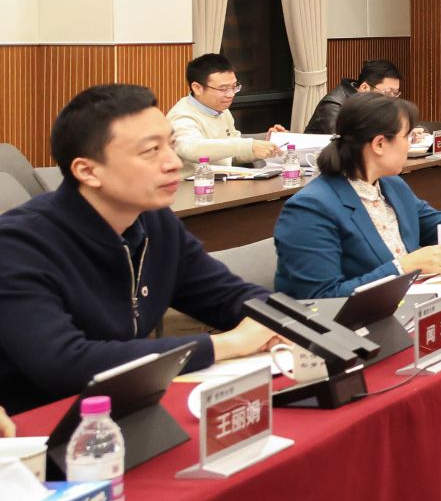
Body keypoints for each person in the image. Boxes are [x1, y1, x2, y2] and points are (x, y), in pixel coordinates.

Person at [0, 85, 281, 414]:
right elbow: (64, 364)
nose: (173, 162)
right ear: (87, 171)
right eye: (151, 151)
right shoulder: (18, 245)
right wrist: (226, 344)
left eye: (171, 145)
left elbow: (227, 295)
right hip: (35, 425)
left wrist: (277, 324)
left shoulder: (153, 221)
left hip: (129, 407)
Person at [274, 93, 441, 298]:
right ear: (379, 144)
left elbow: (438, 228)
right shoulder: (311, 208)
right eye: (407, 137)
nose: (409, 145)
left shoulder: (392, 185)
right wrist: (403, 267)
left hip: (405, 307)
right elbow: (322, 299)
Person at [168, 53, 284, 169]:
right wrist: (249, 145)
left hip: (223, 177)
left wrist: (265, 146)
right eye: (223, 89)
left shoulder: (221, 110)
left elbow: (233, 154)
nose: (231, 94)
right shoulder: (182, 116)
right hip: (195, 179)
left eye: (234, 87)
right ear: (197, 88)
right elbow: (192, 149)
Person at [305, 59, 403, 136]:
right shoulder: (334, 105)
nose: (392, 99)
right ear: (364, 88)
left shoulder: (376, 104)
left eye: (395, 93)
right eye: (388, 93)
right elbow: (345, 143)